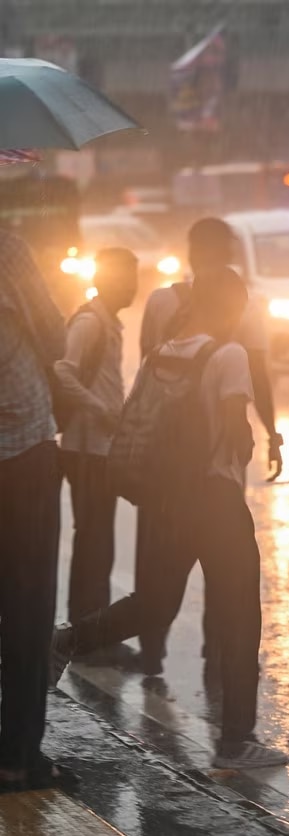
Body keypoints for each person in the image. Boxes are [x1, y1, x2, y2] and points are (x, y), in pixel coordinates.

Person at [52, 266, 289, 770]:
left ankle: (67, 640)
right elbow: (234, 432)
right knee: (240, 615)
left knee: (155, 603)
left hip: (167, 500)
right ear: (228, 308)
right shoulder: (229, 355)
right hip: (216, 501)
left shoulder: (162, 353)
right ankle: (236, 742)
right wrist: (245, 442)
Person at [132, 217, 282, 675]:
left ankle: (150, 648)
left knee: (158, 560)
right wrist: (269, 433)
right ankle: (218, 655)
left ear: (193, 253)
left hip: (164, 461)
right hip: (216, 470)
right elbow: (257, 375)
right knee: (229, 569)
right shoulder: (244, 308)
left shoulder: (160, 301)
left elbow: (147, 370)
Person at [0, 226, 75, 790]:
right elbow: (53, 333)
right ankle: (17, 755)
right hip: (19, 448)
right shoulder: (8, 246)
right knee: (26, 610)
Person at [55, 248, 138, 626]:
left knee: (100, 542)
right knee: (92, 540)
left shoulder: (110, 324)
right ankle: (83, 630)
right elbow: (63, 372)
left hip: (101, 449)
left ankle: (91, 630)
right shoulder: (89, 323)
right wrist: (101, 408)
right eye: (125, 279)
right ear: (105, 281)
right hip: (85, 449)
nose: (132, 287)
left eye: (134, 279)